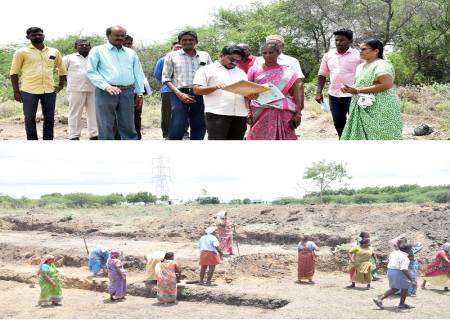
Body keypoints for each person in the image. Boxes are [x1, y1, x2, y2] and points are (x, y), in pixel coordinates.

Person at [87, 25, 144, 140]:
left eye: (122, 36)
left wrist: (139, 93)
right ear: (108, 36)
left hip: (127, 92)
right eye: (116, 35)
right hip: (106, 92)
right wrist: (106, 86)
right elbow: (91, 71)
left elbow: (138, 74)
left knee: (128, 124)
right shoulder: (98, 50)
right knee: (105, 124)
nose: (120, 38)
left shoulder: (131, 53)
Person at [10, 27, 67, 140]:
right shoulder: (21, 52)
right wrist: (16, 92)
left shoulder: (54, 51)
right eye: (34, 35)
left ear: (43, 35)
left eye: (40, 34)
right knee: (30, 118)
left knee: (49, 118)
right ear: (28, 37)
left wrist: (60, 85)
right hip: (29, 90)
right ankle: (32, 142)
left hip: (49, 91)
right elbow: (14, 72)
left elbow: (62, 69)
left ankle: (48, 141)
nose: (37, 36)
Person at [341, 39, 403, 140]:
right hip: (363, 105)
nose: (360, 51)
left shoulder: (381, 65)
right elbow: (361, 84)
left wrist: (357, 91)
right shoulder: (361, 66)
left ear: (376, 51)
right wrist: (350, 89)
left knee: (382, 135)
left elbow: (387, 84)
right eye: (360, 49)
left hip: (380, 106)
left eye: (364, 49)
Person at [247, 42, 304, 140]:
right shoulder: (254, 70)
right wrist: (248, 111)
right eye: (264, 53)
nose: (267, 55)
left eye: (271, 52)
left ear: (278, 53)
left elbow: (297, 92)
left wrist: (298, 113)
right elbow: (248, 90)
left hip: (282, 111)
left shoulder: (288, 72)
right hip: (259, 110)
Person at [162, 30, 212, 140]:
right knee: (178, 122)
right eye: (184, 40)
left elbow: (211, 75)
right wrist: (179, 94)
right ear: (180, 42)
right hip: (178, 93)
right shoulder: (171, 56)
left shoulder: (205, 55)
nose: (187, 42)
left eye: (191, 40)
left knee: (199, 122)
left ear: (196, 41)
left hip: (200, 92)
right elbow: (166, 78)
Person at [193, 45, 250, 140]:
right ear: (221, 55)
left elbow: (245, 94)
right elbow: (197, 90)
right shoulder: (205, 70)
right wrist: (215, 87)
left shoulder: (241, 73)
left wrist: (250, 97)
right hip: (217, 114)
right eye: (231, 59)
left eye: (238, 61)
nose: (234, 62)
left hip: (240, 115)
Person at [315, 29, 362, 138]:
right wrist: (318, 92)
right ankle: (343, 140)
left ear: (350, 41)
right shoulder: (328, 55)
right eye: (336, 40)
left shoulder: (358, 55)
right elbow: (322, 74)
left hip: (354, 95)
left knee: (355, 122)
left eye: (342, 40)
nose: (338, 43)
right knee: (338, 122)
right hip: (334, 95)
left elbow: (366, 72)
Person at [63, 39, 98, 140]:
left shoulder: (94, 58)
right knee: (74, 113)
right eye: (80, 45)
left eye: (86, 45)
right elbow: (62, 73)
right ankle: (74, 135)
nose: (83, 46)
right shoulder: (68, 58)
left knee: (94, 113)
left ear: (90, 47)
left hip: (93, 88)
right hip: (75, 89)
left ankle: (94, 134)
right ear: (76, 47)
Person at [121, 35, 151, 140]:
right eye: (124, 43)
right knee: (120, 117)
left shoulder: (133, 56)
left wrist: (140, 92)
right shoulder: (113, 57)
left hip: (135, 91)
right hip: (119, 91)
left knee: (136, 115)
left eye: (129, 44)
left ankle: (137, 138)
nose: (127, 46)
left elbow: (140, 75)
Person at [373, 244, 417, 310]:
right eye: (410, 249)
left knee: (405, 287)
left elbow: (390, 260)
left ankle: (402, 304)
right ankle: (379, 299)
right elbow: (404, 269)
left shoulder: (394, 252)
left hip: (390, 270)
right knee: (396, 288)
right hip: (398, 272)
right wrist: (412, 280)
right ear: (408, 250)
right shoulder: (405, 258)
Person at [154, 42, 183, 139]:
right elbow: (158, 74)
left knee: (182, 112)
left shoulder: (184, 60)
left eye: (180, 48)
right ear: (172, 48)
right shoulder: (163, 60)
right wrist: (168, 84)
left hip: (183, 90)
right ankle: (166, 134)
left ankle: (183, 132)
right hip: (167, 90)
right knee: (167, 113)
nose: (178, 49)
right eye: (176, 47)